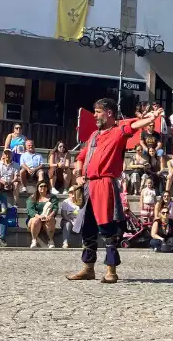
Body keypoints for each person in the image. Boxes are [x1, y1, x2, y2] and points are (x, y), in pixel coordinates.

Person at [66, 99, 163, 283]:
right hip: (88, 185)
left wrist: (151, 118)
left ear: (109, 113)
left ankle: (111, 271)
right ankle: (88, 268)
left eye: (98, 112)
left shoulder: (118, 132)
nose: (94, 115)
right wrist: (78, 173)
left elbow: (133, 126)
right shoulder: (94, 135)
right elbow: (80, 157)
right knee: (88, 228)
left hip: (105, 184)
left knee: (107, 228)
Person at [26, 180, 59, 248]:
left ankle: (50, 240)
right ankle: (34, 240)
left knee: (51, 219)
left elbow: (55, 208)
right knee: (36, 220)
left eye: (45, 186)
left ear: (47, 188)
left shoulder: (53, 197)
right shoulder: (32, 198)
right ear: (37, 188)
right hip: (34, 219)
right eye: (41, 186)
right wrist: (39, 216)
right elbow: (30, 210)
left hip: (47, 218)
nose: (43, 187)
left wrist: (50, 216)